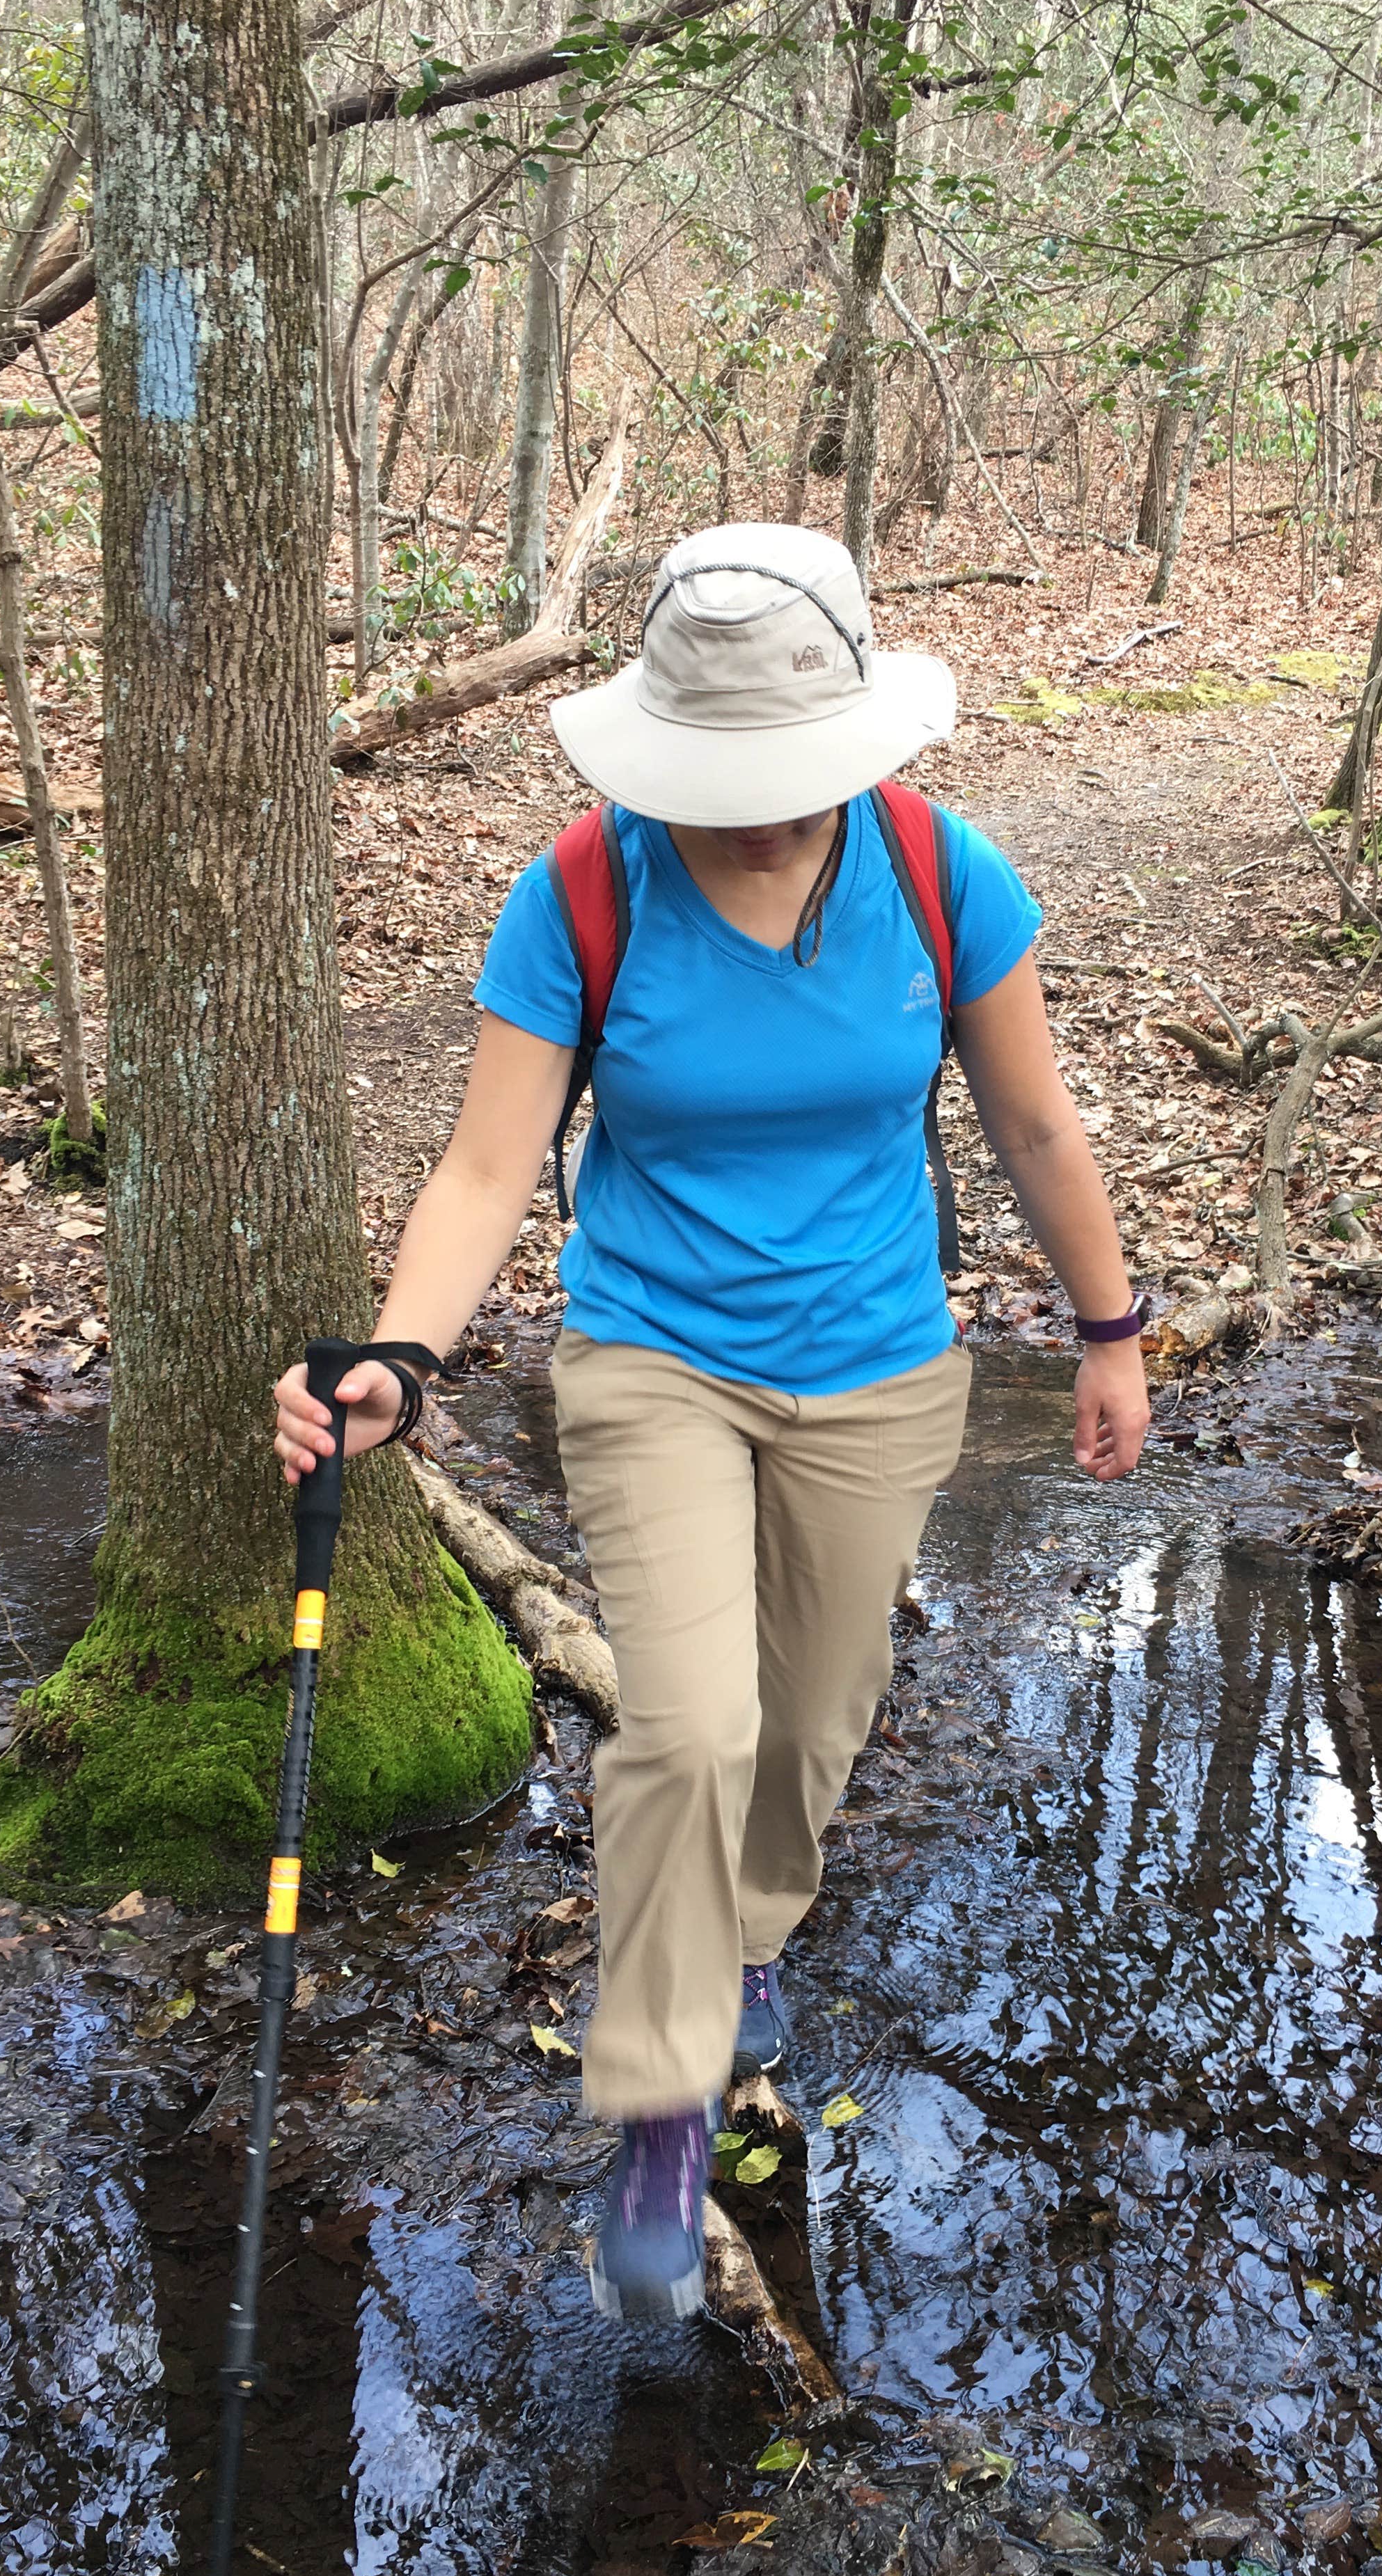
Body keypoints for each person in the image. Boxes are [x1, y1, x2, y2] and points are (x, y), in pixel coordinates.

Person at [274, 524, 1149, 2321]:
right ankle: (664, 2092)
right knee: (683, 1723)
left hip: (883, 1365)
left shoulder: (935, 869)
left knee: (807, 1735)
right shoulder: (584, 894)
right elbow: (490, 1161)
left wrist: (1110, 1326)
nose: (753, 811)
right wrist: (402, 1359)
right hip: (651, 1353)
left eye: (786, 775)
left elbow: (1037, 1125)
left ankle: (743, 1941)